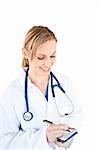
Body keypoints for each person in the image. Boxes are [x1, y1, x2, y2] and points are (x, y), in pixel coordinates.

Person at [0, 26, 82, 150]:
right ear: (25, 53)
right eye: (41, 57)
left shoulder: (64, 83)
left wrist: (67, 135)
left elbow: (76, 115)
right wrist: (43, 137)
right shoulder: (13, 93)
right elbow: (5, 141)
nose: (48, 63)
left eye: (52, 56)